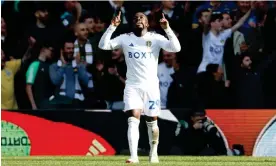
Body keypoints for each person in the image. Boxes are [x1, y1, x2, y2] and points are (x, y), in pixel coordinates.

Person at [98, 11, 181, 163]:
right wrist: (112, 26)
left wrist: (167, 29)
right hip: (132, 86)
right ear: (132, 23)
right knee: (133, 118)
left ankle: (153, 152)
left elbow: (176, 48)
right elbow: (103, 45)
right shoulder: (125, 38)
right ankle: (134, 156)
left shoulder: (155, 38)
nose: (138, 19)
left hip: (151, 87)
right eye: (135, 18)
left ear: (147, 23)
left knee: (152, 122)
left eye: (142, 17)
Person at [197, 2, 255, 74]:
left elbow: (240, 23)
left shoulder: (224, 35)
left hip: (218, 72)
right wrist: (212, 10)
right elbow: (206, 23)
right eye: (219, 21)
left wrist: (250, 10)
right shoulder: (207, 35)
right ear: (212, 23)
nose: (221, 23)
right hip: (205, 70)